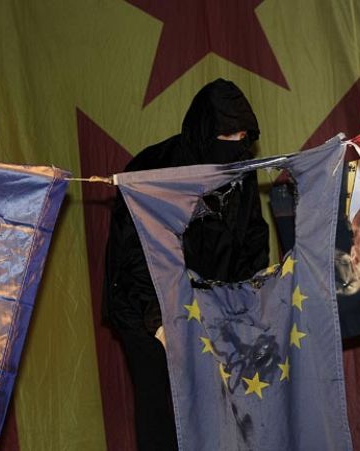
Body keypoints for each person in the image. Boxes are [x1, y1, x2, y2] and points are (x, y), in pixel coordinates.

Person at [103, 78, 269, 451]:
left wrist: (250, 301)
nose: (237, 147)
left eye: (244, 137)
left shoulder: (239, 169)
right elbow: (137, 251)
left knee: (219, 411)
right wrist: (157, 322)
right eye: (228, 138)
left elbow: (252, 237)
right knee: (163, 409)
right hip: (144, 306)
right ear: (206, 132)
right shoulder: (154, 167)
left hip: (205, 304)